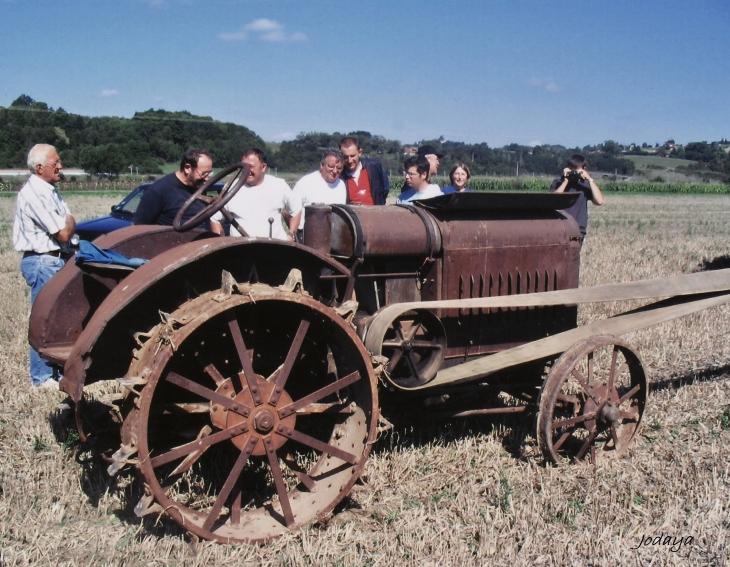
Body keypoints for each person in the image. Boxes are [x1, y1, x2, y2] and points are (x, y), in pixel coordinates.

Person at [12, 144, 76, 389]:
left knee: (57, 318)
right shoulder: (35, 193)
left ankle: (55, 373)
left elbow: (67, 226)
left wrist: (68, 223)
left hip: (54, 259)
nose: (60, 166)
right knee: (45, 320)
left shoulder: (50, 190)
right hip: (43, 260)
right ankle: (41, 378)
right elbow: (64, 232)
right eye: (55, 163)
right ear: (40, 168)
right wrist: (69, 221)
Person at [210, 148, 301, 241]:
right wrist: (221, 243)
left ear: (264, 167)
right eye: (243, 167)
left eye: (251, 166)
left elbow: (296, 210)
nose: (246, 171)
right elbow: (215, 219)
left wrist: (291, 234)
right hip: (240, 250)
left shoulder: (279, 185)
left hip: (274, 248)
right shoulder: (231, 187)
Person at [133, 148, 214, 226]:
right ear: (187, 168)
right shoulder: (157, 191)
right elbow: (138, 228)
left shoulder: (199, 187)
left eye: (209, 173)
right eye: (204, 173)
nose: (207, 179)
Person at [292, 148, 347, 237]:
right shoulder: (305, 182)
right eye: (331, 166)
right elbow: (288, 211)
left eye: (339, 168)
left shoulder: (341, 185)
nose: (335, 171)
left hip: (332, 234)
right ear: (322, 165)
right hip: (307, 234)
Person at [549, 154, 605, 242]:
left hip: (578, 228)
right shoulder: (558, 183)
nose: (574, 173)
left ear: (584, 169)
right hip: (559, 227)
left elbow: (599, 201)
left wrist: (589, 179)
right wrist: (566, 180)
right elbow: (553, 200)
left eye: (577, 171)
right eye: (571, 170)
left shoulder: (585, 185)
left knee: (573, 255)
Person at [339, 136, 390, 205]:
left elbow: (385, 189)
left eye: (352, 156)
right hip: (352, 214)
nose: (349, 160)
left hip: (375, 213)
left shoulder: (374, 167)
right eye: (346, 157)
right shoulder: (339, 177)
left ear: (360, 152)